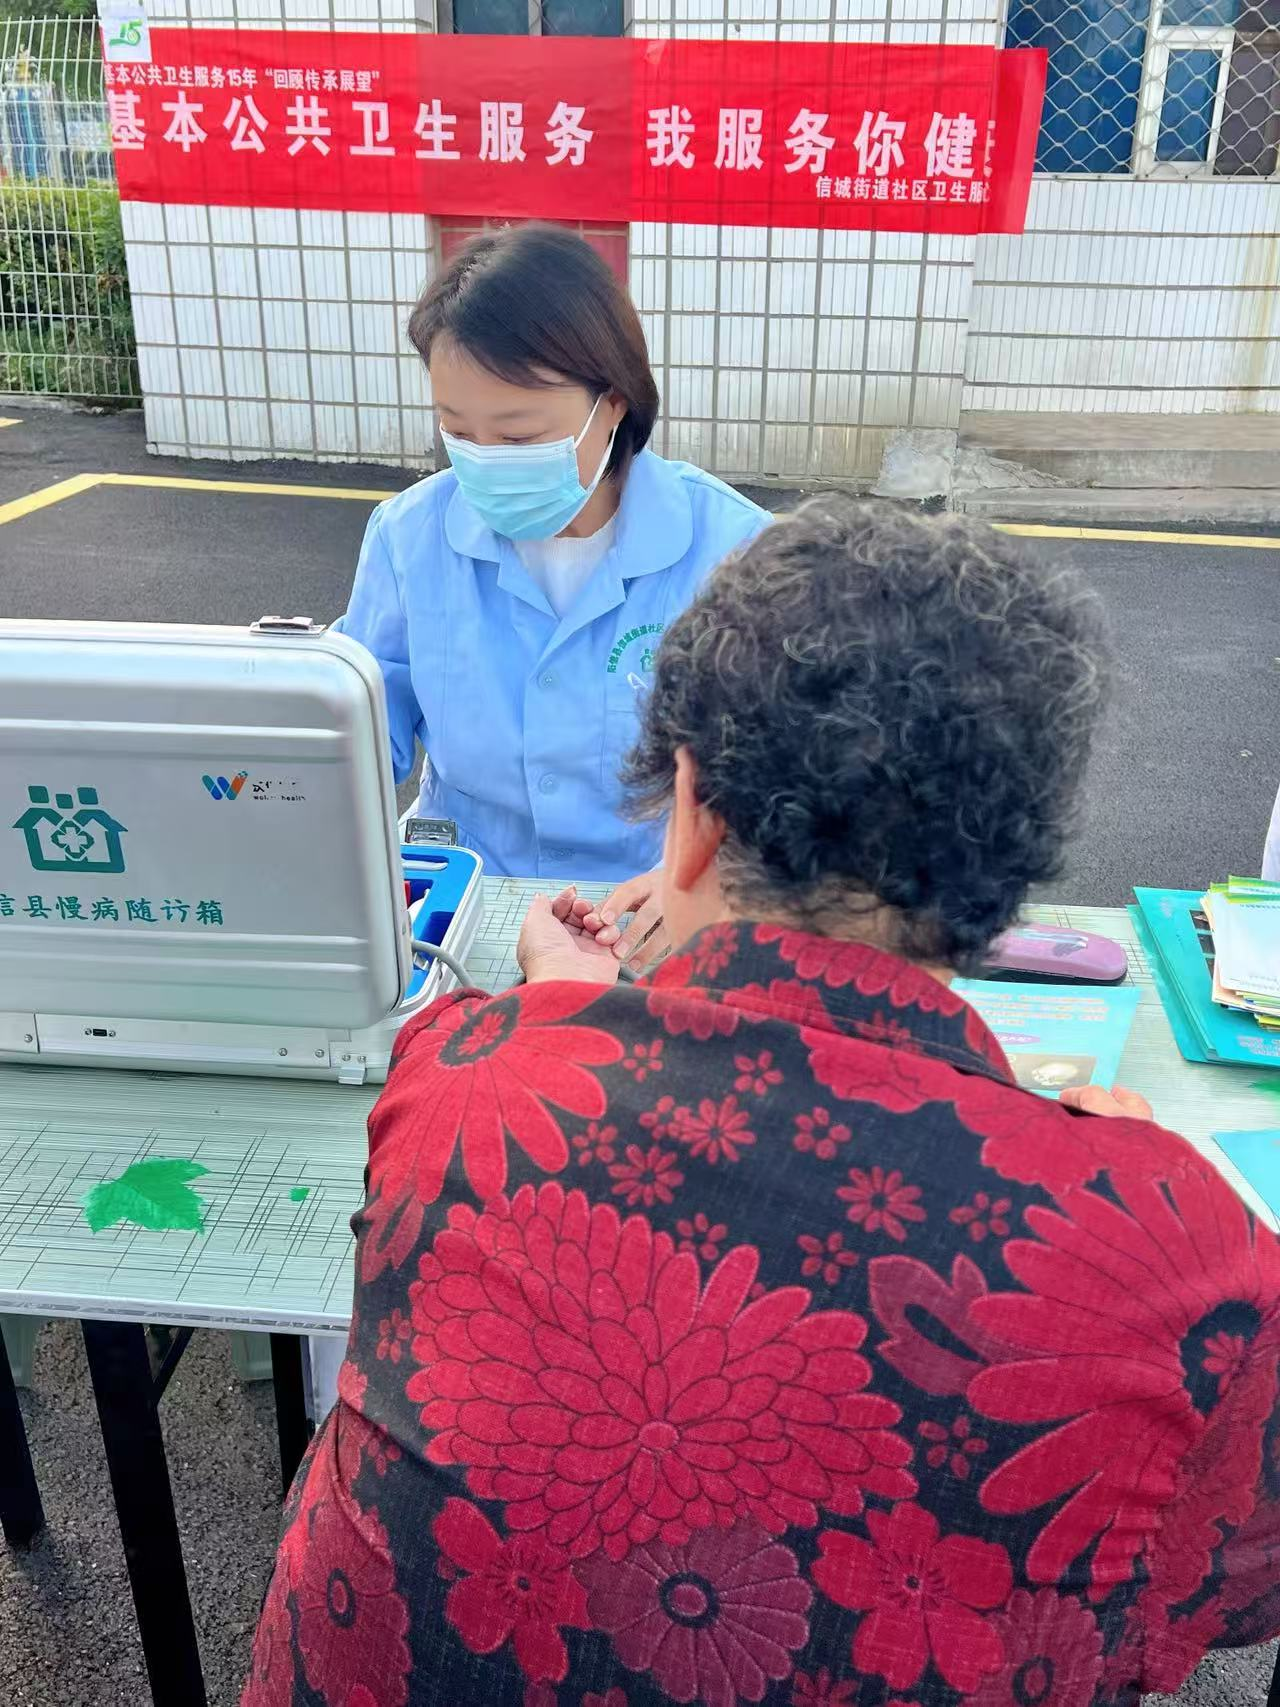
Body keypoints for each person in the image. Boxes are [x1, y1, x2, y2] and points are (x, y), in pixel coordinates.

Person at [245, 500, 1280, 1707]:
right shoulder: (1181, 1256)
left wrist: (553, 1017)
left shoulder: (467, 1071)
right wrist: (1139, 1201)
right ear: (1008, 869)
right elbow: (1226, 1590)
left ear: (689, 809)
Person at [335, 222, 769, 967]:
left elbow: (787, 775)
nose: (483, 461)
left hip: (650, 919)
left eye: (519, 436)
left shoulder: (732, 551)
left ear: (612, 403)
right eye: (456, 431)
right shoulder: (410, 539)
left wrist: (709, 882)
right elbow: (352, 739)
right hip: (461, 913)